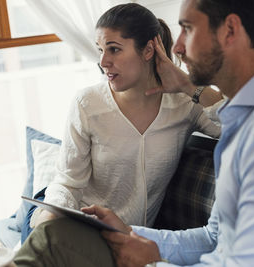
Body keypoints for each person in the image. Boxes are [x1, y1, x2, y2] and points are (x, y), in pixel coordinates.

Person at [14, 0, 254, 266]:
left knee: (54, 243)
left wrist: (149, 259)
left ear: (230, 30)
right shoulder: (246, 124)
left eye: (188, 29)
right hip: (86, 217)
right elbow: (212, 239)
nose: (175, 48)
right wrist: (130, 235)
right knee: (53, 238)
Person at [20, 2, 222, 243]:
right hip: (65, 215)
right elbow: (67, 182)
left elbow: (241, 125)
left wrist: (188, 84)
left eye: (114, 49)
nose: (103, 61)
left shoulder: (183, 104)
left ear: (148, 51)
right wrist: (46, 224)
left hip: (124, 238)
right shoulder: (88, 103)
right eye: (100, 50)